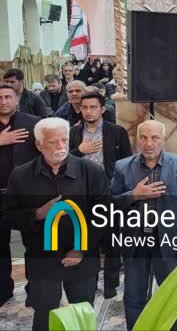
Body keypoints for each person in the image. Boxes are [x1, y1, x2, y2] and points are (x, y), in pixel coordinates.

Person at [3, 118, 107, 329]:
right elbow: (7, 216)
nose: (60, 146)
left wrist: (81, 248)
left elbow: (103, 215)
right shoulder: (21, 175)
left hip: (82, 258)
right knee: (45, 316)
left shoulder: (91, 170)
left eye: (64, 140)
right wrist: (37, 214)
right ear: (39, 144)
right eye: (53, 141)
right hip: (41, 259)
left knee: (82, 315)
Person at [110, 120, 177, 330]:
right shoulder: (122, 167)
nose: (149, 143)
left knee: (171, 295)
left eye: (154, 137)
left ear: (163, 139)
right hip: (135, 240)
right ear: (137, 140)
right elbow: (110, 202)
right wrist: (134, 195)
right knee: (134, 296)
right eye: (143, 137)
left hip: (168, 240)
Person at [68, 91, 132, 298]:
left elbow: (126, 161)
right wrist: (79, 150)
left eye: (93, 107)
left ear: (102, 109)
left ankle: (111, 284)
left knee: (111, 240)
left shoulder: (117, 131)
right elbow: (63, 159)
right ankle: (91, 280)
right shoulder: (73, 132)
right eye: (85, 107)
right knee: (87, 238)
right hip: (82, 194)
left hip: (109, 191)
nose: (88, 111)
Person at [0, 84, 39, 307]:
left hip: (27, 195)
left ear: (17, 99)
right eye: (0, 97)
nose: (3, 101)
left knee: (33, 244)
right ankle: (3, 290)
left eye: (8, 97)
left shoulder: (32, 123)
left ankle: (35, 289)